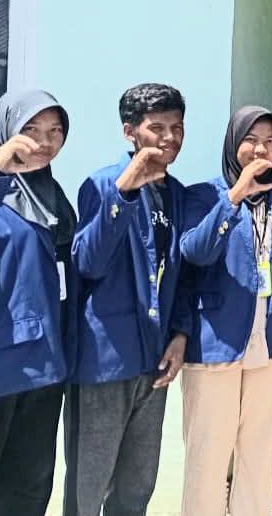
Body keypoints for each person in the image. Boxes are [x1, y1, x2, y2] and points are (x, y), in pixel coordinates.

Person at [176, 106, 272, 516]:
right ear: (233, 143)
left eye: (270, 141)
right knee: (209, 453)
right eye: (252, 140)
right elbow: (195, 252)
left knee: (258, 449)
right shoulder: (202, 195)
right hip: (217, 341)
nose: (262, 149)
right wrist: (234, 196)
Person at [64, 84, 191, 516]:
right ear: (130, 132)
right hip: (105, 361)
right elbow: (88, 262)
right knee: (88, 486)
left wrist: (180, 335)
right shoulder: (102, 184)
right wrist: (123, 194)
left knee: (137, 486)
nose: (169, 137)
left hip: (154, 358)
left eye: (177, 127)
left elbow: (182, 273)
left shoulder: (176, 193)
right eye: (157, 127)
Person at [0, 90, 75, 516]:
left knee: (26, 490)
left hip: (45, 368)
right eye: (32, 129)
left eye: (55, 131)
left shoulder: (53, 195)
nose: (44, 141)